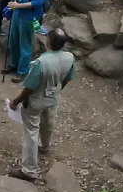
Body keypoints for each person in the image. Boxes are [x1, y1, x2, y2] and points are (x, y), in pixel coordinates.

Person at [8, 27, 76, 183]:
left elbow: (30, 87)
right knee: (48, 123)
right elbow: (67, 78)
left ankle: (29, 170)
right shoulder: (69, 58)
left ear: (49, 42)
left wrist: (16, 101)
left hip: (36, 101)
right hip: (53, 98)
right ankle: (45, 147)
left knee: (31, 132)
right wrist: (57, 90)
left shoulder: (41, 62)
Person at [5, 0, 54, 81]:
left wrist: (18, 5)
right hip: (17, 10)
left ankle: (23, 70)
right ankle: (14, 64)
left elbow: (39, 1)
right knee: (13, 39)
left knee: (25, 42)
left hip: (30, 14)